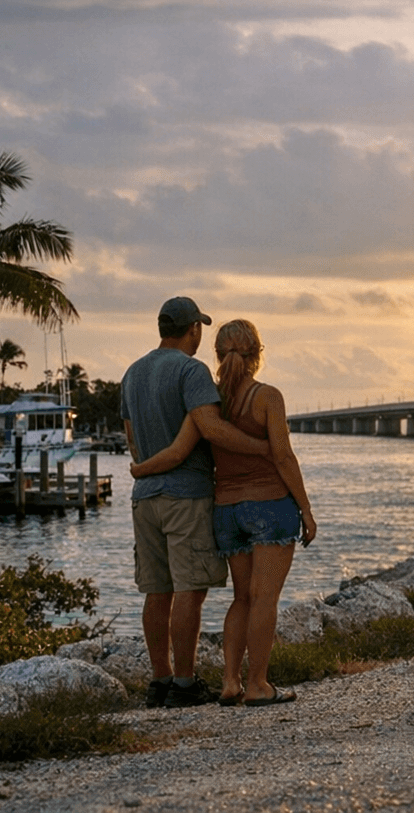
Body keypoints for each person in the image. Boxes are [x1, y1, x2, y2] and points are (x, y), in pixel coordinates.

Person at [131, 318, 316, 707]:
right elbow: (282, 455)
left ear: (217, 355)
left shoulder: (210, 402)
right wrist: (306, 508)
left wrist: (141, 469)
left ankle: (230, 682)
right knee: (265, 599)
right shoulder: (268, 397)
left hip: (226, 511)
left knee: (241, 600)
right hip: (269, 505)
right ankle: (259, 685)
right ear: (258, 354)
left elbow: (178, 450)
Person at [121, 297, 271, 709]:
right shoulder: (192, 370)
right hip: (184, 495)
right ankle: (185, 684)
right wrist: (265, 448)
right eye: (199, 329)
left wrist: (144, 468)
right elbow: (211, 429)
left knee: (156, 590)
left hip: (144, 496)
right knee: (190, 588)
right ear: (193, 330)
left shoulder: (132, 373)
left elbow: (132, 438)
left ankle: (160, 680)